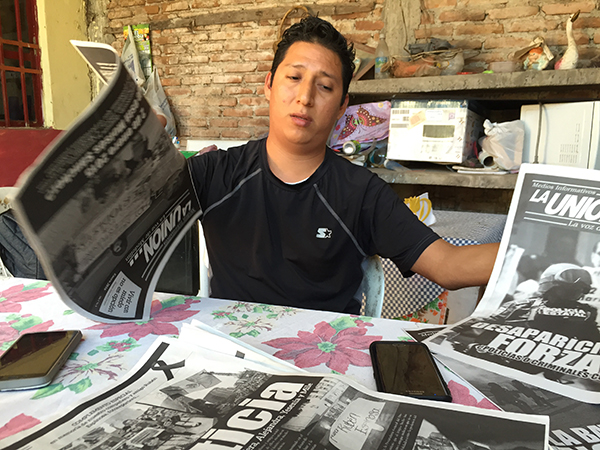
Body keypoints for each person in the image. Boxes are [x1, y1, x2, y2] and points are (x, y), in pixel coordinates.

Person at [187, 16, 499, 314]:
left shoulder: (360, 193)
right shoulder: (216, 173)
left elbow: (448, 264)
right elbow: (144, 200)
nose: (305, 97)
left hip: (322, 354)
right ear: (269, 84)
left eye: (324, 86)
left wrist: (539, 253)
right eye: (294, 78)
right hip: (226, 351)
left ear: (341, 106)